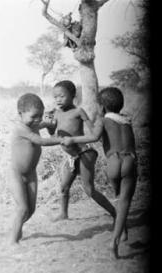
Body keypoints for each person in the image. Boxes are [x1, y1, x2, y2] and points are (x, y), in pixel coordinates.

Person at [63, 87, 137, 259]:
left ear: (102, 107)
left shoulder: (103, 120)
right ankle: (115, 241)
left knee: (119, 199)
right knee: (125, 202)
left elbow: (94, 137)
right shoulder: (127, 120)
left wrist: (72, 139)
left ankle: (123, 230)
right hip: (129, 161)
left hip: (113, 162)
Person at [44, 80, 117, 223]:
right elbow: (53, 134)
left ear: (72, 95)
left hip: (85, 153)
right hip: (71, 156)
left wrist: (74, 140)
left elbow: (92, 134)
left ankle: (115, 213)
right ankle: (63, 214)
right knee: (64, 188)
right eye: (55, 97)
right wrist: (48, 124)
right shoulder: (56, 113)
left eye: (62, 96)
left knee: (89, 189)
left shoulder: (78, 111)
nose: (58, 100)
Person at [9, 93, 67, 247]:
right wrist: (60, 140)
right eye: (34, 116)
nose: (37, 120)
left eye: (40, 116)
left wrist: (49, 123)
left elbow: (44, 125)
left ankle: (17, 227)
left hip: (31, 174)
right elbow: (40, 140)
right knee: (23, 208)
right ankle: (13, 241)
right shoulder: (21, 128)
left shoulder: (33, 125)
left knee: (31, 210)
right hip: (17, 174)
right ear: (20, 114)